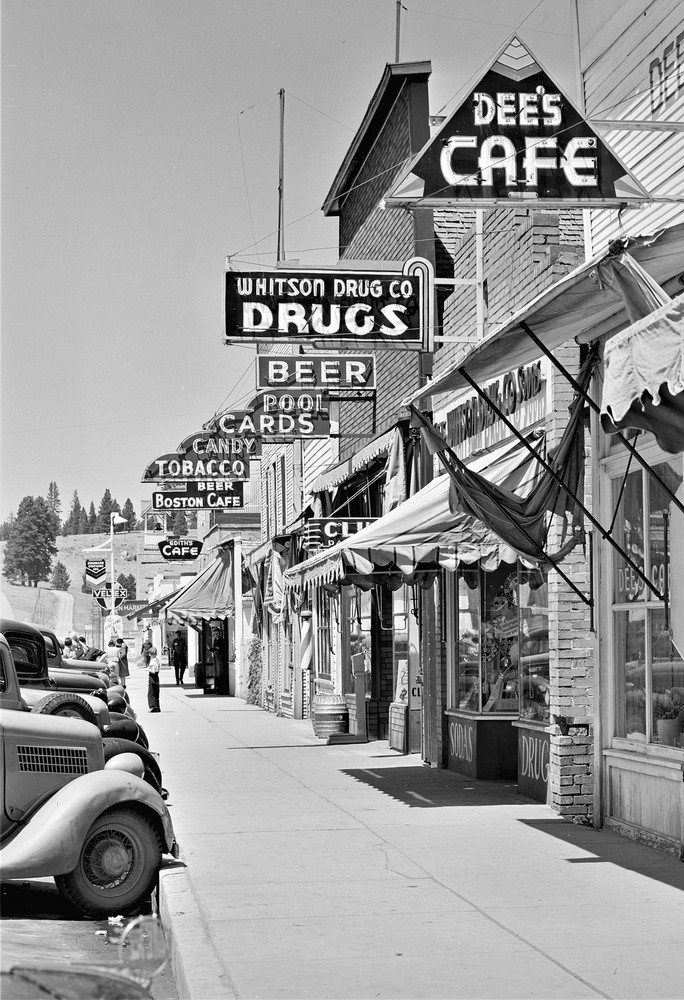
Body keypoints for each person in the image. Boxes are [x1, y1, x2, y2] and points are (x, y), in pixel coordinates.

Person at [147, 646, 161, 712]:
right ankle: (157, 707)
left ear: (150, 654)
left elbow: (153, 671)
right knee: (156, 693)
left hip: (152, 677)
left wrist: (147, 669)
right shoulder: (157, 660)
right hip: (156, 677)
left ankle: (153, 707)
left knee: (151, 693)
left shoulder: (152, 662)